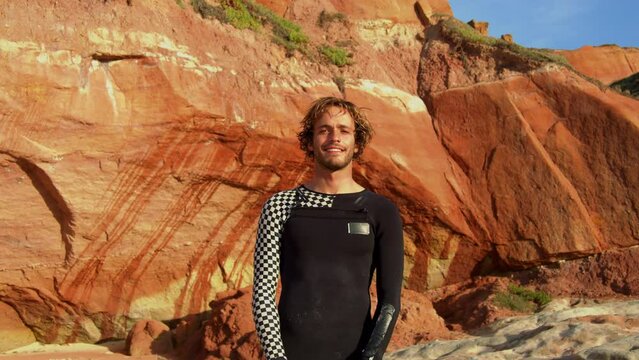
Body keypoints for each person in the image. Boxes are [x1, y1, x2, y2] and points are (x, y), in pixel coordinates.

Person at [252, 97, 404, 360]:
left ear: (357, 143)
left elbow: (389, 301)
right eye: (324, 130)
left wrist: (370, 357)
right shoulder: (279, 206)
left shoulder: (381, 211)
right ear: (310, 141)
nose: (335, 137)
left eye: (344, 131)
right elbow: (263, 295)